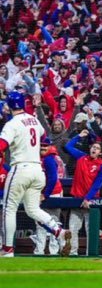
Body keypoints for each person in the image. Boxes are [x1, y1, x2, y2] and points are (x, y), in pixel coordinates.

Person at [0, 91, 71, 257]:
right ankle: (59, 231)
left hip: (20, 168)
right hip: (38, 170)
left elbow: (2, 145)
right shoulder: (34, 120)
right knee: (32, 209)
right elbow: (44, 137)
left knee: (9, 209)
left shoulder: (12, 123)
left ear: (9, 106)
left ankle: (8, 250)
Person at [64, 129, 102, 256]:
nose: (94, 149)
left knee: (91, 230)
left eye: (97, 148)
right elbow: (68, 146)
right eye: (93, 147)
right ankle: (72, 253)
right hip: (77, 199)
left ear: (100, 152)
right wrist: (79, 136)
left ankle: (91, 254)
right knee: (73, 229)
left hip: (91, 201)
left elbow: (97, 185)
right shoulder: (81, 157)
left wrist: (87, 199)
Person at [31, 137, 64, 255]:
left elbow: (53, 179)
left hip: (53, 192)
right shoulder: (38, 158)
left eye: (45, 145)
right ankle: (39, 251)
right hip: (42, 193)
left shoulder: (49, 159)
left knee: (54, 222)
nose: (43, 147)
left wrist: (45, 194)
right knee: (40, 222)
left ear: (50, 147)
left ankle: (53, 251)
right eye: (41, 145)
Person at [0, 152, 10, 247]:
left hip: (4, 198)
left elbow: (11, 183)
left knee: (4, 222)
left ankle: (4, 244)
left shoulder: (6, 167)